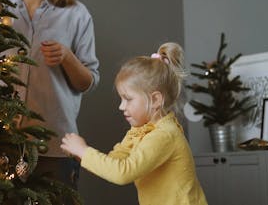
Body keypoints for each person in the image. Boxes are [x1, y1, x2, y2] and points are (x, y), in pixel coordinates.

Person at [5, 0, 100, 191]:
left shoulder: (77, 15)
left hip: (55, 147)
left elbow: (88, 82)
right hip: (2, 142)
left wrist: (67, 57)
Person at [60, 43, 207, 205]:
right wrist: (82, 155)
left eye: (128, 99)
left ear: (156, 99)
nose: (121, 106)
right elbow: (115, 161)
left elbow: (123, 173)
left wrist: (84, 151)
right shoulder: (141, 131)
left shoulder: (164, 135)